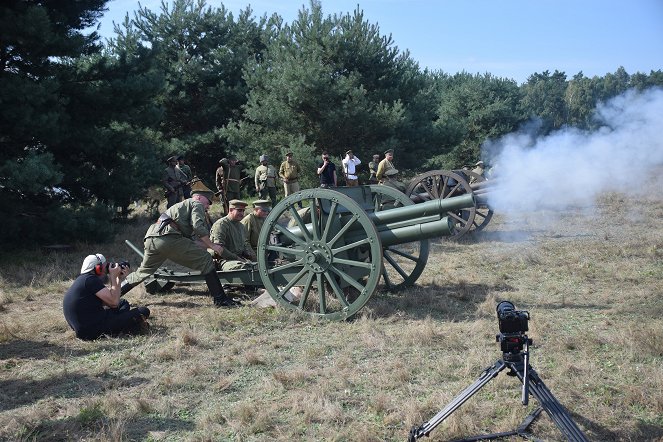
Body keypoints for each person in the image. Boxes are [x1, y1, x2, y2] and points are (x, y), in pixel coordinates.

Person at [121, 182, 240, 307]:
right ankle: (220, 300)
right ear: (199, 197)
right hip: (168, 238)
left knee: (143, 271)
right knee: (206, 260)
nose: (208, 206)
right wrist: (213, 246)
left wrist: (213, 246)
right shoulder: (196, 203)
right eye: (207, 202)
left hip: (152, 238)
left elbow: (193, 242)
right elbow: (198, 228)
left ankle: (112, 295)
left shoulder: (182, 207)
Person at [63, 254, 150, 340]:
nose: (108, 270)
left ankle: (122, 323)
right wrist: (113, 276)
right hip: (91, 331)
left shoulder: (85, 280)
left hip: (87, 326)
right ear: (98, 269)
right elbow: (114, 303)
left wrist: (118, 278)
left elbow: (110, 301)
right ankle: (127, 327)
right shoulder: (91, 280)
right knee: (143, 311)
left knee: (123, 303)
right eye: (106, 267)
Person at [210, 199, 256, 270]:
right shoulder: (221, 224)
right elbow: (219, 249)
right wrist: (237, 258)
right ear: (231, 210)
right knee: (244, 268)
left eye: (243, 211)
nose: (242, 213)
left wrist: (249, 255)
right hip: (224, 261)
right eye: (239, 210)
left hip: (239, 259)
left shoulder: (241, 226)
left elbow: (243, 245)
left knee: (258, 266)